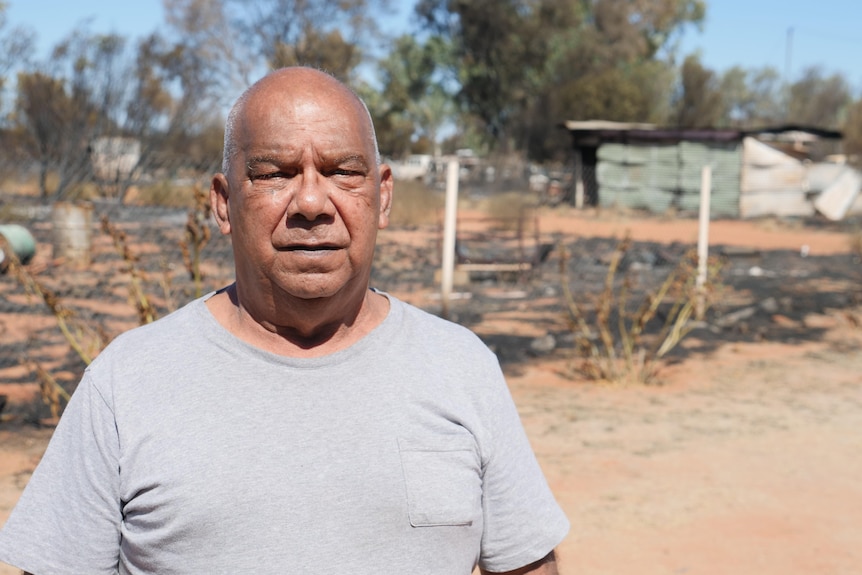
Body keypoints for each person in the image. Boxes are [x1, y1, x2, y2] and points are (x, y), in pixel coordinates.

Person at [0, 66, 568, 574]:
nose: (312, 203)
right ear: (223, 203)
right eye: (274, 173)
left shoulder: (461, 366)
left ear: (383, 195)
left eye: (344, 171)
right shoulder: (127, 381)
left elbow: (525, 565)